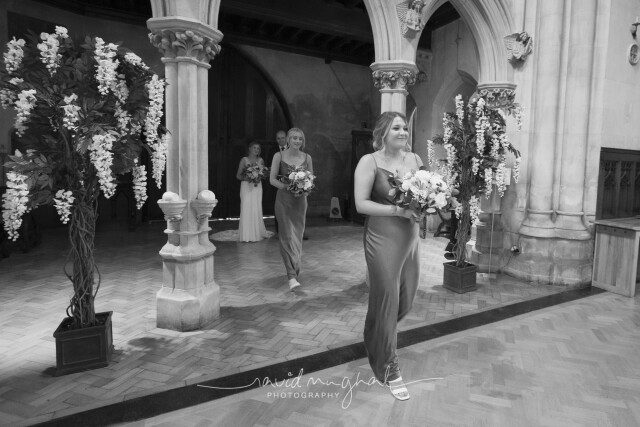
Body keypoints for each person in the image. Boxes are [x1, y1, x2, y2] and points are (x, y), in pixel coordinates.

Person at [353, 111, 423, 401]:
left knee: (405, 300)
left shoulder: (415, 159)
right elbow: (361, 204)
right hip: (382, 237)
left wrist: (439, 201)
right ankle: (389, 368)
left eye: (404, 127)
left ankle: (375, 336)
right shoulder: (369, 162)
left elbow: (425, 193)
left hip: (410, 237)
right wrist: (397, 210)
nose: (403, 132)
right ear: (382, 132)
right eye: (396, 128)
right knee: (387, 300)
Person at [270, 128, 313, 291]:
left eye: (300, 139)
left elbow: (311, 180)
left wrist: (304, 188)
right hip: (284, 201)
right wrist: (288, 187)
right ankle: (291, 276)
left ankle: (295, 268)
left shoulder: (307, 158)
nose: (297, 141)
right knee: (287, 236)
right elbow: (272, 180)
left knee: (297, 236)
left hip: (300, 202)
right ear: (288, 140)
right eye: (294, 138)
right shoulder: (278, 156)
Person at [236, 141, 269, 242]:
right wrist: (249, 177)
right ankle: (246, 235)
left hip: (257, 187)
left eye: (258, 148)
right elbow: (238, 175)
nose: (256, 150)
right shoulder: (244, 160)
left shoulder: (260, 160)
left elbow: (263, 174)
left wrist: (258, 176)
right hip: (246, 186)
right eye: (254, 147)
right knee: (246, 207)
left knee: (256, 207)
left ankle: (256, 233)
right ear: (249, 148)